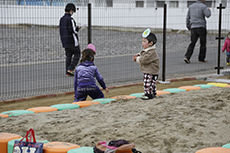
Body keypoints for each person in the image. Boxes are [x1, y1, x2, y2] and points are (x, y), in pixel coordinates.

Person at [133, 28, 159, 100]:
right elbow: (143, 54)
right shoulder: (149, 51)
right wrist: (138, 55)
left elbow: (144, 59)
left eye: (144, 41)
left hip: (150, 71)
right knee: (152, 83)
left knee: (147, 83)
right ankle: (153, 93)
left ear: (150, 43)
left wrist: (137, 59)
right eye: (142, 41)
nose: (142, 43)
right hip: (152, 71)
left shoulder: (151, 52)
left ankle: (148, 94)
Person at [59, 3, 81, 76]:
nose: (73, 13)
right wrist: (78, 28)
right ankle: (71, 68)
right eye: (73, 11)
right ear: (71, 10)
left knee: (68, 55)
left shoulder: (61, 19)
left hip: (65, 41)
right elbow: (73, 30)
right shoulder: (70, 19)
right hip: (72, 41)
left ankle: (67, 71)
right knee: (77, 53)